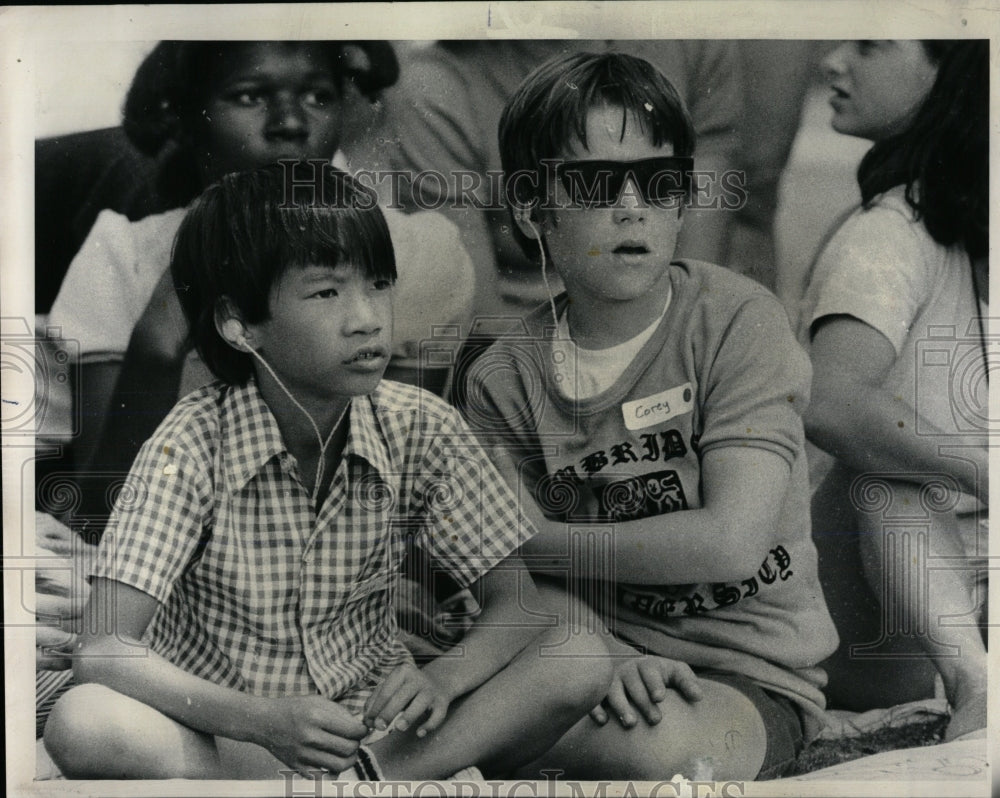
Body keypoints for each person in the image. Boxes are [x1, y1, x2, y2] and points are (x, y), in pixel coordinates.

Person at [42, 164, 610, 780]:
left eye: (379, 284)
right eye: (326, 292)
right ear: (241, 324)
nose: (367, 318)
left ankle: (369, 779)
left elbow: (516, 601)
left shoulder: (421, 425)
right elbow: (103, 648)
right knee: (84, 721)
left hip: (372, 735)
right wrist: (263, 720)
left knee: (576, 654)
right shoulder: (190, 442)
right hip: (228, 733)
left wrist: (443, 678)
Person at [458, 52, 838, 781]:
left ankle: (456, 749)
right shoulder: (501, 378)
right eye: (600, 183)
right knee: (476, 681)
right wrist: (612, 656)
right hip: (588, 657)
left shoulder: (736, 321)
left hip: (745, 675)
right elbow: (521, 588)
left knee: (665, 749)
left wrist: (532, 540)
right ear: (534, 209)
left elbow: (729, 544)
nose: (633, 205)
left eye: (660, 183)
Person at [44, 41, 474, 521]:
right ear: (190, 117)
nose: (290, 123)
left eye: (318, 97)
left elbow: (389, 506)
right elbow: (97, 522)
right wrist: (155, 350)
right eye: (250, 97)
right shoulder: (122, 259)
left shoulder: (413, 255)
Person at [800, 40, 988, 740]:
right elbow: (832, 402)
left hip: (976, 583)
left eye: (870, 45)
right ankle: (977, 689)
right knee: (886, 473)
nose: (833, 62)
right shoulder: (890, 231)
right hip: (884, 609)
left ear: (954, 69)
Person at [376, 40, 743, 324]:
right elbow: (478, 322)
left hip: (660, 332)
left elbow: (695, 291)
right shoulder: (433, 86)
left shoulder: (688, 40)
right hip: (522, 347)